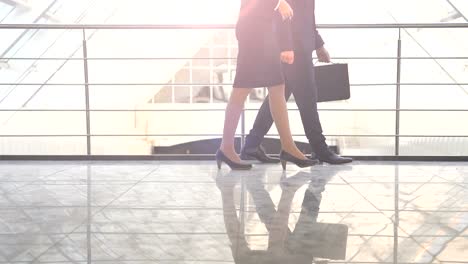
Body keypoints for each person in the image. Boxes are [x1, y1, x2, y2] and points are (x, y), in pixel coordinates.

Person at [240, 0, 353, 165]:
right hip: (293, 50)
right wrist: (287, 46)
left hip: (299, 48)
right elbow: (280, 13)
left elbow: (308, 19)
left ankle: (251, 145)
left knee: (277, 99)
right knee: (307, 98)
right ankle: (320, 149)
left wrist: (319, 46)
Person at [216, 0, 317, 170]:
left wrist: (285, 43)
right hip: (253, 32)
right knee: (242, 88)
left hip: (264, 30)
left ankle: (288, 146)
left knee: (277, 86)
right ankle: (226, 148)